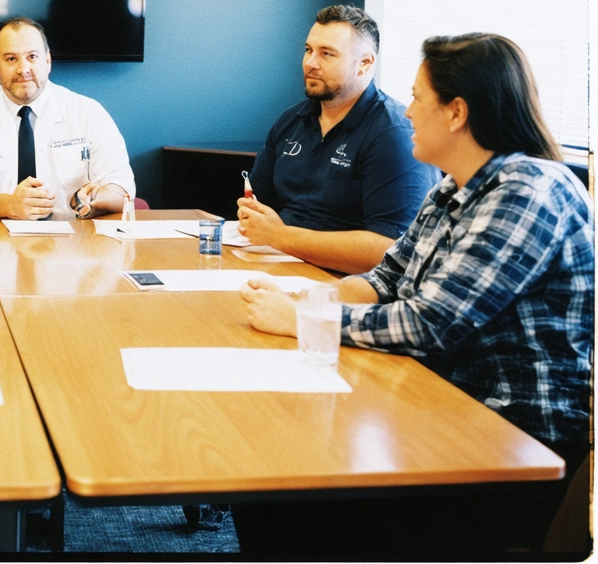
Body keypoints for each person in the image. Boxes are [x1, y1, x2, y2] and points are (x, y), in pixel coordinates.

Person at [236, 33, 593, 557]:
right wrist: (310, 303)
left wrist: (300, 321)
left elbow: (430, 324)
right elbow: (386, 279)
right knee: (267, 483)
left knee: (287, 501)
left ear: (457, 113)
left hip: (507, 434)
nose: (405, 112)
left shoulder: (528, 191)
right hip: (437, 400)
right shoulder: (453, 186)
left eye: (417, 99)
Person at [239, 5, 438, 273]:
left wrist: (281, 237)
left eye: (327, 54)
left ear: (365, 63)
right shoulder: (291, 120)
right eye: (309, 50)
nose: (310, 63)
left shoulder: (393, 134)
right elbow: (260, 209)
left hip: (346, 283)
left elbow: (393, 250)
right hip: (278, 263)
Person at [0, 16, 135, 221]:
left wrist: (95, 200)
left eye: (32, 56)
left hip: (73, 243)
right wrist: (8, 205)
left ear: (47, 60)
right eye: (11, 58)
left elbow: (121, 188)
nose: (23, 69)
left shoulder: (88, 113)